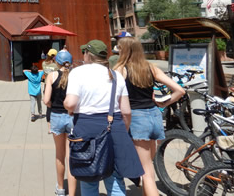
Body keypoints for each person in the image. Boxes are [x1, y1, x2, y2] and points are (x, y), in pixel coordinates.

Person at [64, 39, 143, 196]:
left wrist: (66, 105)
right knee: (115, 180)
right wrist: (122, 130)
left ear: (88, 55)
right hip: (114, 127)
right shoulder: (115, 75)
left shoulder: (77, 73)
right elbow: (126, 111)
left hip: (86, 127)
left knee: (88, 178)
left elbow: (71, 103)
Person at [114, 37, 185, 196]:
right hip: (154, 116)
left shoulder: (120, 69)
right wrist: (163, 103)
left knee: (146, 171)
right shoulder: (151, 68)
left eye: (119, 48)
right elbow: (180, 91)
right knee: (148, 165)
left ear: (124, 50)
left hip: (137, 119)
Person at [43, 50, 76, 196]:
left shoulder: (51, 75)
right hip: (72, 116)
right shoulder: (75, 76)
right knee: (72, 156)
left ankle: (61, 188)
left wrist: (52, 106)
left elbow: (45, 100)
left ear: (57, 62)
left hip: (56, 116)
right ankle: (73, 192)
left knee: (59, 155)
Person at [42, 48, 59, 132]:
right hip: (55, 85)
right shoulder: (56, 65)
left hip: (46, 85)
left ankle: (49, 127)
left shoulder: (44, 63)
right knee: (55, 104)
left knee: (48, 105)